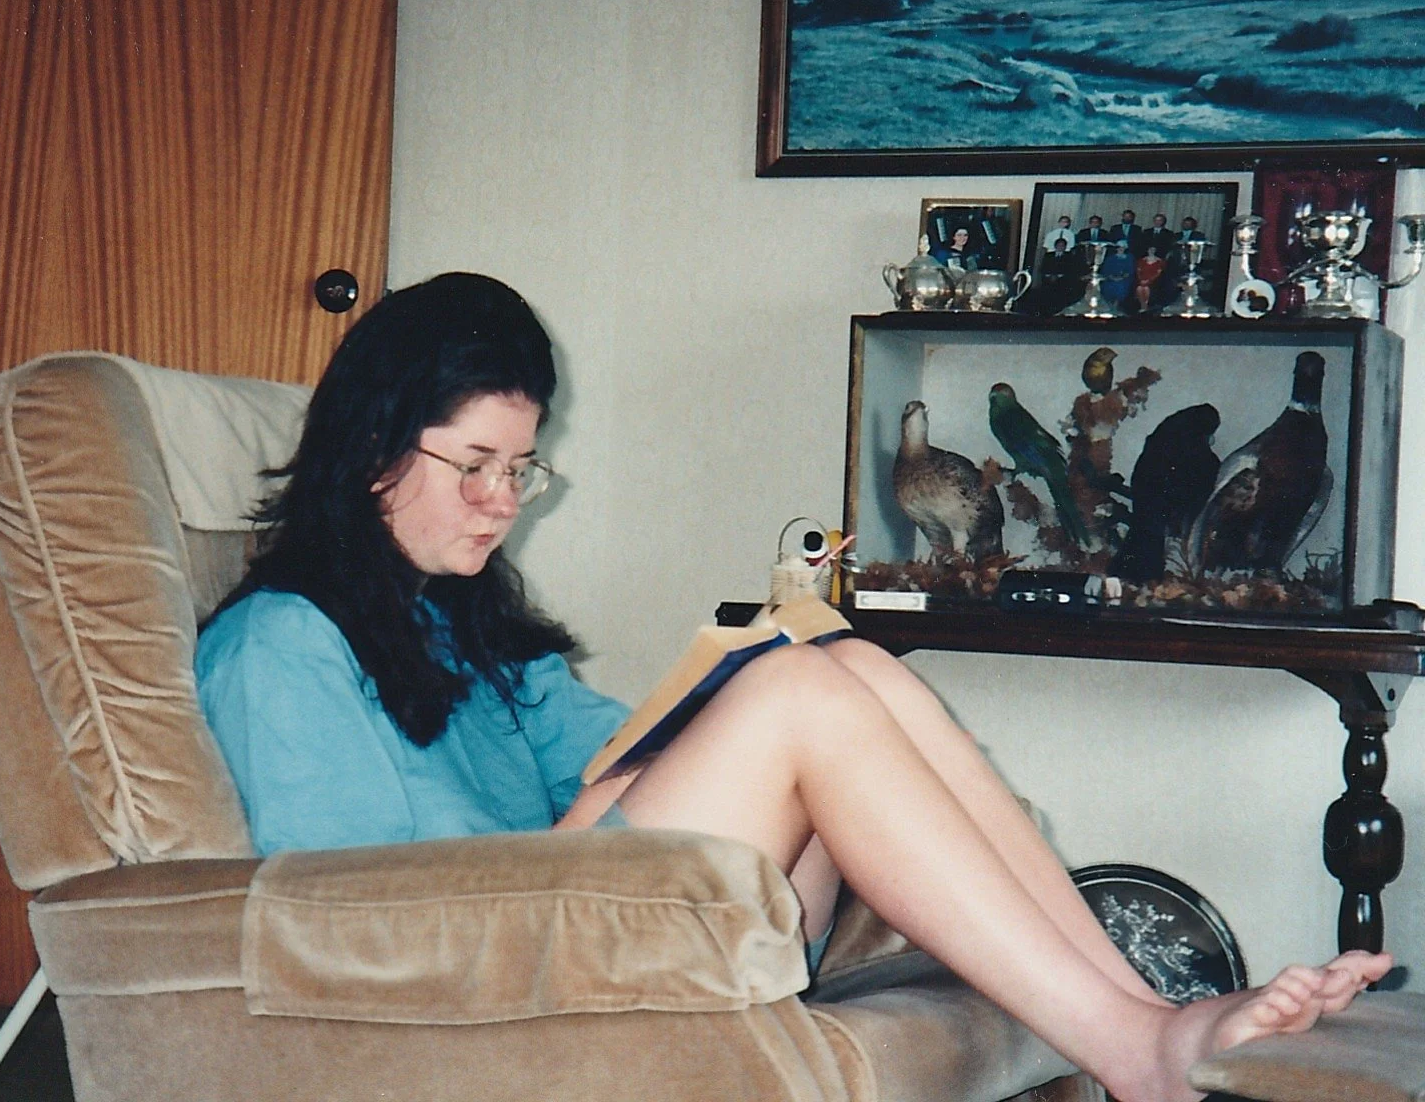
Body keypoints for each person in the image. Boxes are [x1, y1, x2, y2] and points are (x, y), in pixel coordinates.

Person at [195, 272, 1389, 1102]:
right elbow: (340, 921)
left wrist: (692, 719)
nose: (502, 504)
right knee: (802, 696)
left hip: (587, 925)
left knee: (847, 661)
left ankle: (1147, 1013)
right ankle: (1142, 1047)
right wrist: (573, 830)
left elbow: (621, 768)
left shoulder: (462, 625)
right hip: (485, 977)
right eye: (473, 467)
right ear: (370, 450)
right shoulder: (278, 646)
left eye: (521, 469)